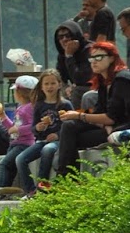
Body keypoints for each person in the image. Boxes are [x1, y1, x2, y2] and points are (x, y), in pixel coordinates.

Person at [54, 41, 130, 176]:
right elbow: (98, 111)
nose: (94, 62)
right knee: (69, 126)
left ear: (112, 58)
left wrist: (79, 116)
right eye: (91, 58)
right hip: (109, 126)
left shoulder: (121, 80)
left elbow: (112, 117)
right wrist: (78, 113)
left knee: (71, 137)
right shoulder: (103, 81)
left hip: (122, 129)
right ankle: (66, 177)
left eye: (99, 57)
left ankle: (67, 177)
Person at [11, 70, 71, 195]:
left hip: (59, 141)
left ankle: (42, 188)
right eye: (46, 84)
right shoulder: (39, 105)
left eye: (53, 83)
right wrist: (38, 128)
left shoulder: (65, 104)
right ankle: (31, 191)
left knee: (47, 150)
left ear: (59, 85)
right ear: (41, 87)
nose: (50, 87)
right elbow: (33, 128)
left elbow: (71, 126)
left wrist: (57, 135)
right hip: (41, 140)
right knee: (20, 159)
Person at [0, 76, 40, 188]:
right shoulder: (21, 108)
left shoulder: (29, 108)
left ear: (19, 93)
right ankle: (5, 190)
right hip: (15, 143)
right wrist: (3, 117)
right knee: (10, 167)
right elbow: (12, 128)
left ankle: (0, 190)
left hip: (24, 144)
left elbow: (32, 126)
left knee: (3, 164)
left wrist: (18, 129)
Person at [54, 20, 93, 107]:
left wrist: (69, 56)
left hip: (93, 91)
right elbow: (59, 78)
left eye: (68, 35)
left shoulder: (89, 50)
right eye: (60, 37)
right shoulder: (61, 56)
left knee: (78, 91)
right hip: (75, 91)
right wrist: (66, 88)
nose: (64, 39)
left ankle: (78, 118)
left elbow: (81, 79)